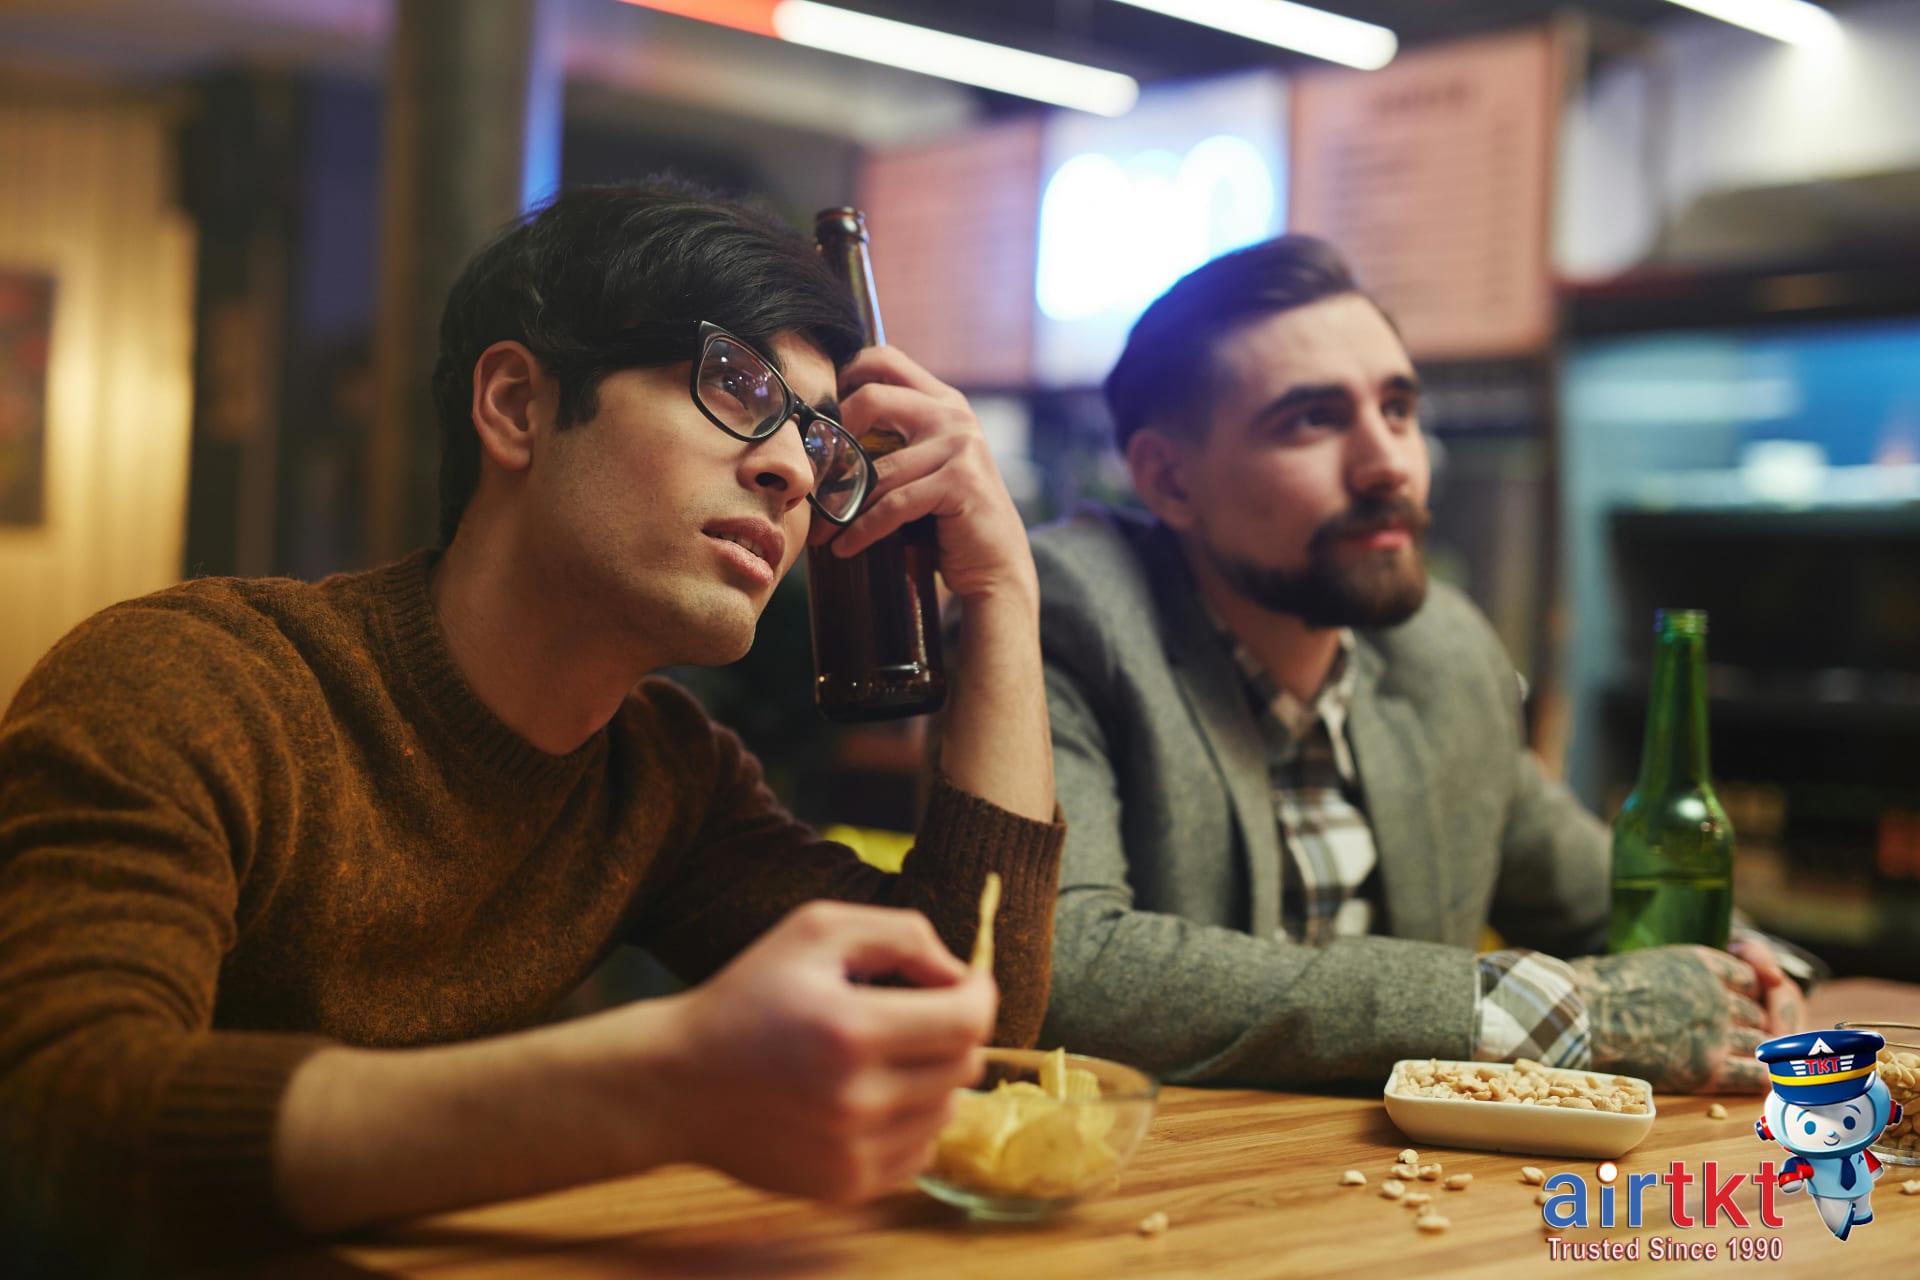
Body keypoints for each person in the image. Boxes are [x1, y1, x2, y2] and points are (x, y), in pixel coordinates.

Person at [0, 180, 1061, 1271]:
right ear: (516, 406)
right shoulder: (195, 685)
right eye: (737, 387)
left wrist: (1005, 595)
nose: (793, 471)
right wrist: (662, 1081)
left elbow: (964, 1021)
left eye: (822, 444)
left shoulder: (661, 776)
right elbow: (56, 1118)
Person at [1028, 234, 1800, 1096]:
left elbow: (1606, 903)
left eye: (1397, 410)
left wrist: (1744, 969)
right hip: (1170, 1203)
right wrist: (1561, 1011)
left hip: (1422, 1204)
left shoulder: (1444, 650)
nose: (1389, 463)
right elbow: (1064, 968)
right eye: (1313, 420)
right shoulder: (1070, 612)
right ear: (1169, 482)